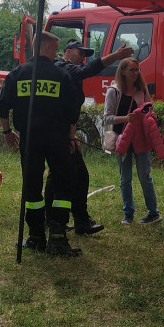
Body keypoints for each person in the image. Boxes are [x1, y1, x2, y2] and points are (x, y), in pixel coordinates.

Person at [0, 31, 83, 256]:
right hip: (57, 139)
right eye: (55, 49)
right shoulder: (61, 75)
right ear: (45, 48)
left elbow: (2, 105)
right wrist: (72, 136)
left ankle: (35, 236)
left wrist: (7, 131)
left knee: (32, 187)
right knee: (63, 185)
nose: (57, 54)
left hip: (30, 139)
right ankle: (57, 237)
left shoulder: (17, 74)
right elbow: (73, 111)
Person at [54, 39, 134, 236]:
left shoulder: (72, 72)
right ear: (68, 51)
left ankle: (64, 220)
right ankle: (71, 222)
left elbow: (73, 107)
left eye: (85, 54)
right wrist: (115, 56)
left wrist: (72, 134)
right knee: (72, 177)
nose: (83, 57)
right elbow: (85, 71)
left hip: (64, 132)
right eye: (80, 52)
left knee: (63, 177)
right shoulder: (62, 67)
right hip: (57, 133)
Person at [104, 58, 162, 225]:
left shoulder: (141, 89)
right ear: (123, 71)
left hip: (140, 139)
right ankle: (128, 214)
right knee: (125, 178)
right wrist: (126, 118)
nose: (136, 73)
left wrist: (151, 115)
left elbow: (148, 109)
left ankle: (153, 212)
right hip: (122, 140)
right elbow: (107, 118)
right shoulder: (113, 92)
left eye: (138, 70)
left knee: (145, 175)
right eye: (132, 70)